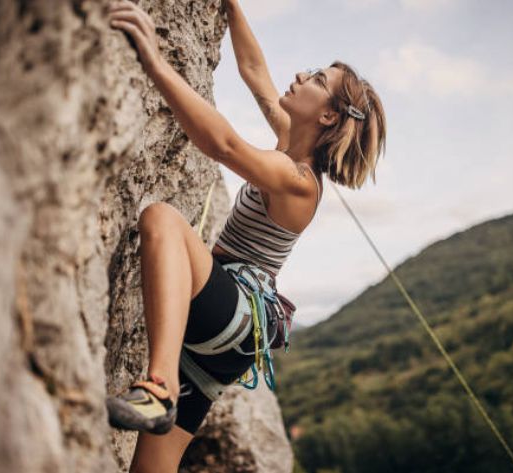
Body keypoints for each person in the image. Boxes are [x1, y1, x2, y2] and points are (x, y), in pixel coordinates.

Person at [104, 1, 386, 471]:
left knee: (162, 219)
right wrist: (231, 6)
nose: (301, 75)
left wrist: (153, 61)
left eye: (318, 79)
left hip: (233, 310)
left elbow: (224, 145)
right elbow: (255, 72)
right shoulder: (288, 142)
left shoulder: (298, 180)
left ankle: (160, 387)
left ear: (329, 116)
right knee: (151, 466)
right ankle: (163, 394)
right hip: (228, 333)